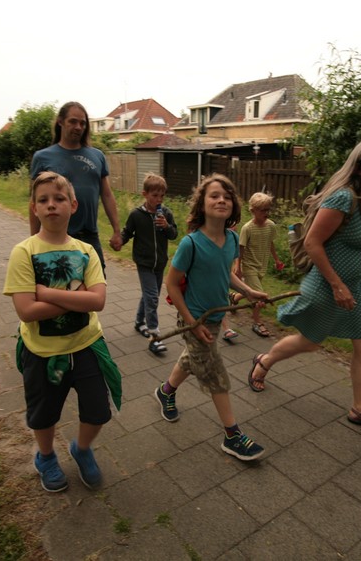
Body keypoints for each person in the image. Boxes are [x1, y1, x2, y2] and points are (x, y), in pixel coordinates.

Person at [247, 135, 361, 435]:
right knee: (311, 342)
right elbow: (313, 243)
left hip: (355, 283)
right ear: (359, 166)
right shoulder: (343, 198)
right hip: (327, 283)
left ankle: (360, 408)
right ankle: (264, 360)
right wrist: (337, 285)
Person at [3, 171, 122, 492]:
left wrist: (46, 293)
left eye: (58, 198)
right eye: (43, 200)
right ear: (34, 208)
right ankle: (45, 456)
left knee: (98, 412)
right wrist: (76, 297)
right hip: (42, 352)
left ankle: (81, 449)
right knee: (43, 415)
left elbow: (97, 301)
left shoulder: (86, 251)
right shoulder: (24, 252)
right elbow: (26, 311)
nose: (51, 205)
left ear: (73, 205)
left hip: (87, 346)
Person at [153, 174, 268, 461]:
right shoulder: (191, 244)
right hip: (194, 320)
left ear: (233, 205)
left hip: (216, 319)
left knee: (191, 359)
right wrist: (192, 323)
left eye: (227, 196)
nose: (221, 200)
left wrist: (248, 291)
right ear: (202, 204)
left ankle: (166, 392)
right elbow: (171, 284)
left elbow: (225, 273)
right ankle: (232, 436)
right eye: (214, 195)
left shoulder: (231, 239)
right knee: (215, 373)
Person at [29, 101, 123, 275]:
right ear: (60, 122)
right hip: (56, 236)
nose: (78, 127)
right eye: (73, 121)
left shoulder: (97, 156)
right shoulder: (43, 157)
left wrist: (117, 231)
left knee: (96, 287)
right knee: (58, 285)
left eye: (82, 123)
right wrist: (33, 240)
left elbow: (107, 195)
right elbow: (34, 201)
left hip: (90, 237)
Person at [120, 174, 178, 354]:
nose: (159, 200)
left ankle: (139, 322)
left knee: (149, 295)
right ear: (145, 194)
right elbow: (127, 232)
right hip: (144, 262)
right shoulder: (136, 215)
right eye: (155, 196)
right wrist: (118, 241)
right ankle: (155, 336)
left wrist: (166, 226)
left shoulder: (166, 213)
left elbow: (174, 235)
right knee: (152, 297)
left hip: (160, 263)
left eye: (162, 196)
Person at [231, 192, 284, 338]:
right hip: (249, 266)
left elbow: (270, 243)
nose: (266, 213)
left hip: (262, 265)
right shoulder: (247, 228)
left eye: (268, 209)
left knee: (251, 291)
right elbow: (240, 248)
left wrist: (277, 259)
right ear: (253, 210)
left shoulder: (271, 225)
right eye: (262, 210)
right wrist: (238, 266)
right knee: (258, 296)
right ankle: (257, 322)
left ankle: (234, 298)